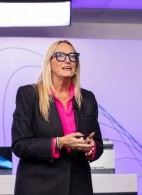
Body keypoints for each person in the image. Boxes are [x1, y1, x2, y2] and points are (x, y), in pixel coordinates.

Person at [11, 40, 103, 195]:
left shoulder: (87, 98)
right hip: (38, 186)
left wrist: (91, 147)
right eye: (60, 55)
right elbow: (20, 144)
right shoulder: (29, 95)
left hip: (78, 186)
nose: (67, 60)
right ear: (49, 62)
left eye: (72, 56)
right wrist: (58, 143)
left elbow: (98, 144)